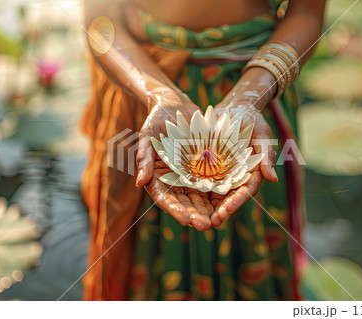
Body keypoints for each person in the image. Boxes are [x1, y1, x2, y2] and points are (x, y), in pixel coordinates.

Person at [81, 0, 326, 300]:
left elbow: (305, 13)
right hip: (142, 101)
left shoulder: (252, 104)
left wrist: (250, 96)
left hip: (253, 106)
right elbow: (100, 23)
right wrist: (157, 94)